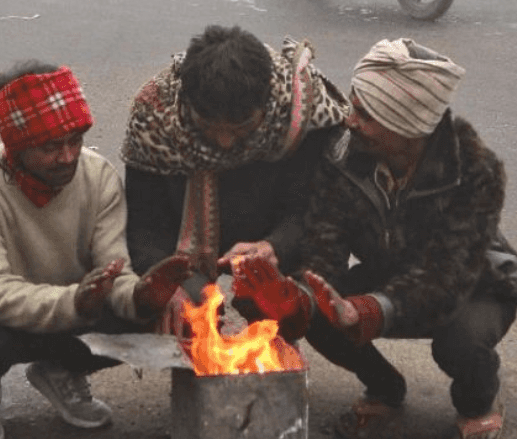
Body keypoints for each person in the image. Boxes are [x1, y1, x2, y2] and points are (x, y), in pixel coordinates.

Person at [232, 39, 517, 439]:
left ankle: (478, 403)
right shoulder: (342, 157)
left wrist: (368, 310)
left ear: (407, 126)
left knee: (458, 342)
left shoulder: (475, 168)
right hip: (392, 271)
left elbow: (445, 277)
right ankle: (386, 390)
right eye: (353, 105)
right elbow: (323, 248)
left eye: (365, 114)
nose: (349, 121)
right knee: (323, 314)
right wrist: (295, 301)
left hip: (474, 283)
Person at [0, 60, 190, 439]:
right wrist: (76, 301)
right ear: (17, 146)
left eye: (75, 141)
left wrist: (143, 296)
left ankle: (59, 371)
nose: (68, 157)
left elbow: (113, 269)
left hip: (79, 298)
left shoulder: (98, 177)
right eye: (51, 147)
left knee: (157, 321)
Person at [121, 25, 349, 332]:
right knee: (188, 311)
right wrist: (168, 284)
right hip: (182, 247)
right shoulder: (154, 118)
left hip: (274, 234)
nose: (225, 143)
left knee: (299, 299)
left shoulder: (300, 113)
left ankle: (373, 374)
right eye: (210, 127)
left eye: (242, 127)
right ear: (188, 105)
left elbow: (316, 209)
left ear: (266, 105)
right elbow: (145, 227)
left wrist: (276, 246)